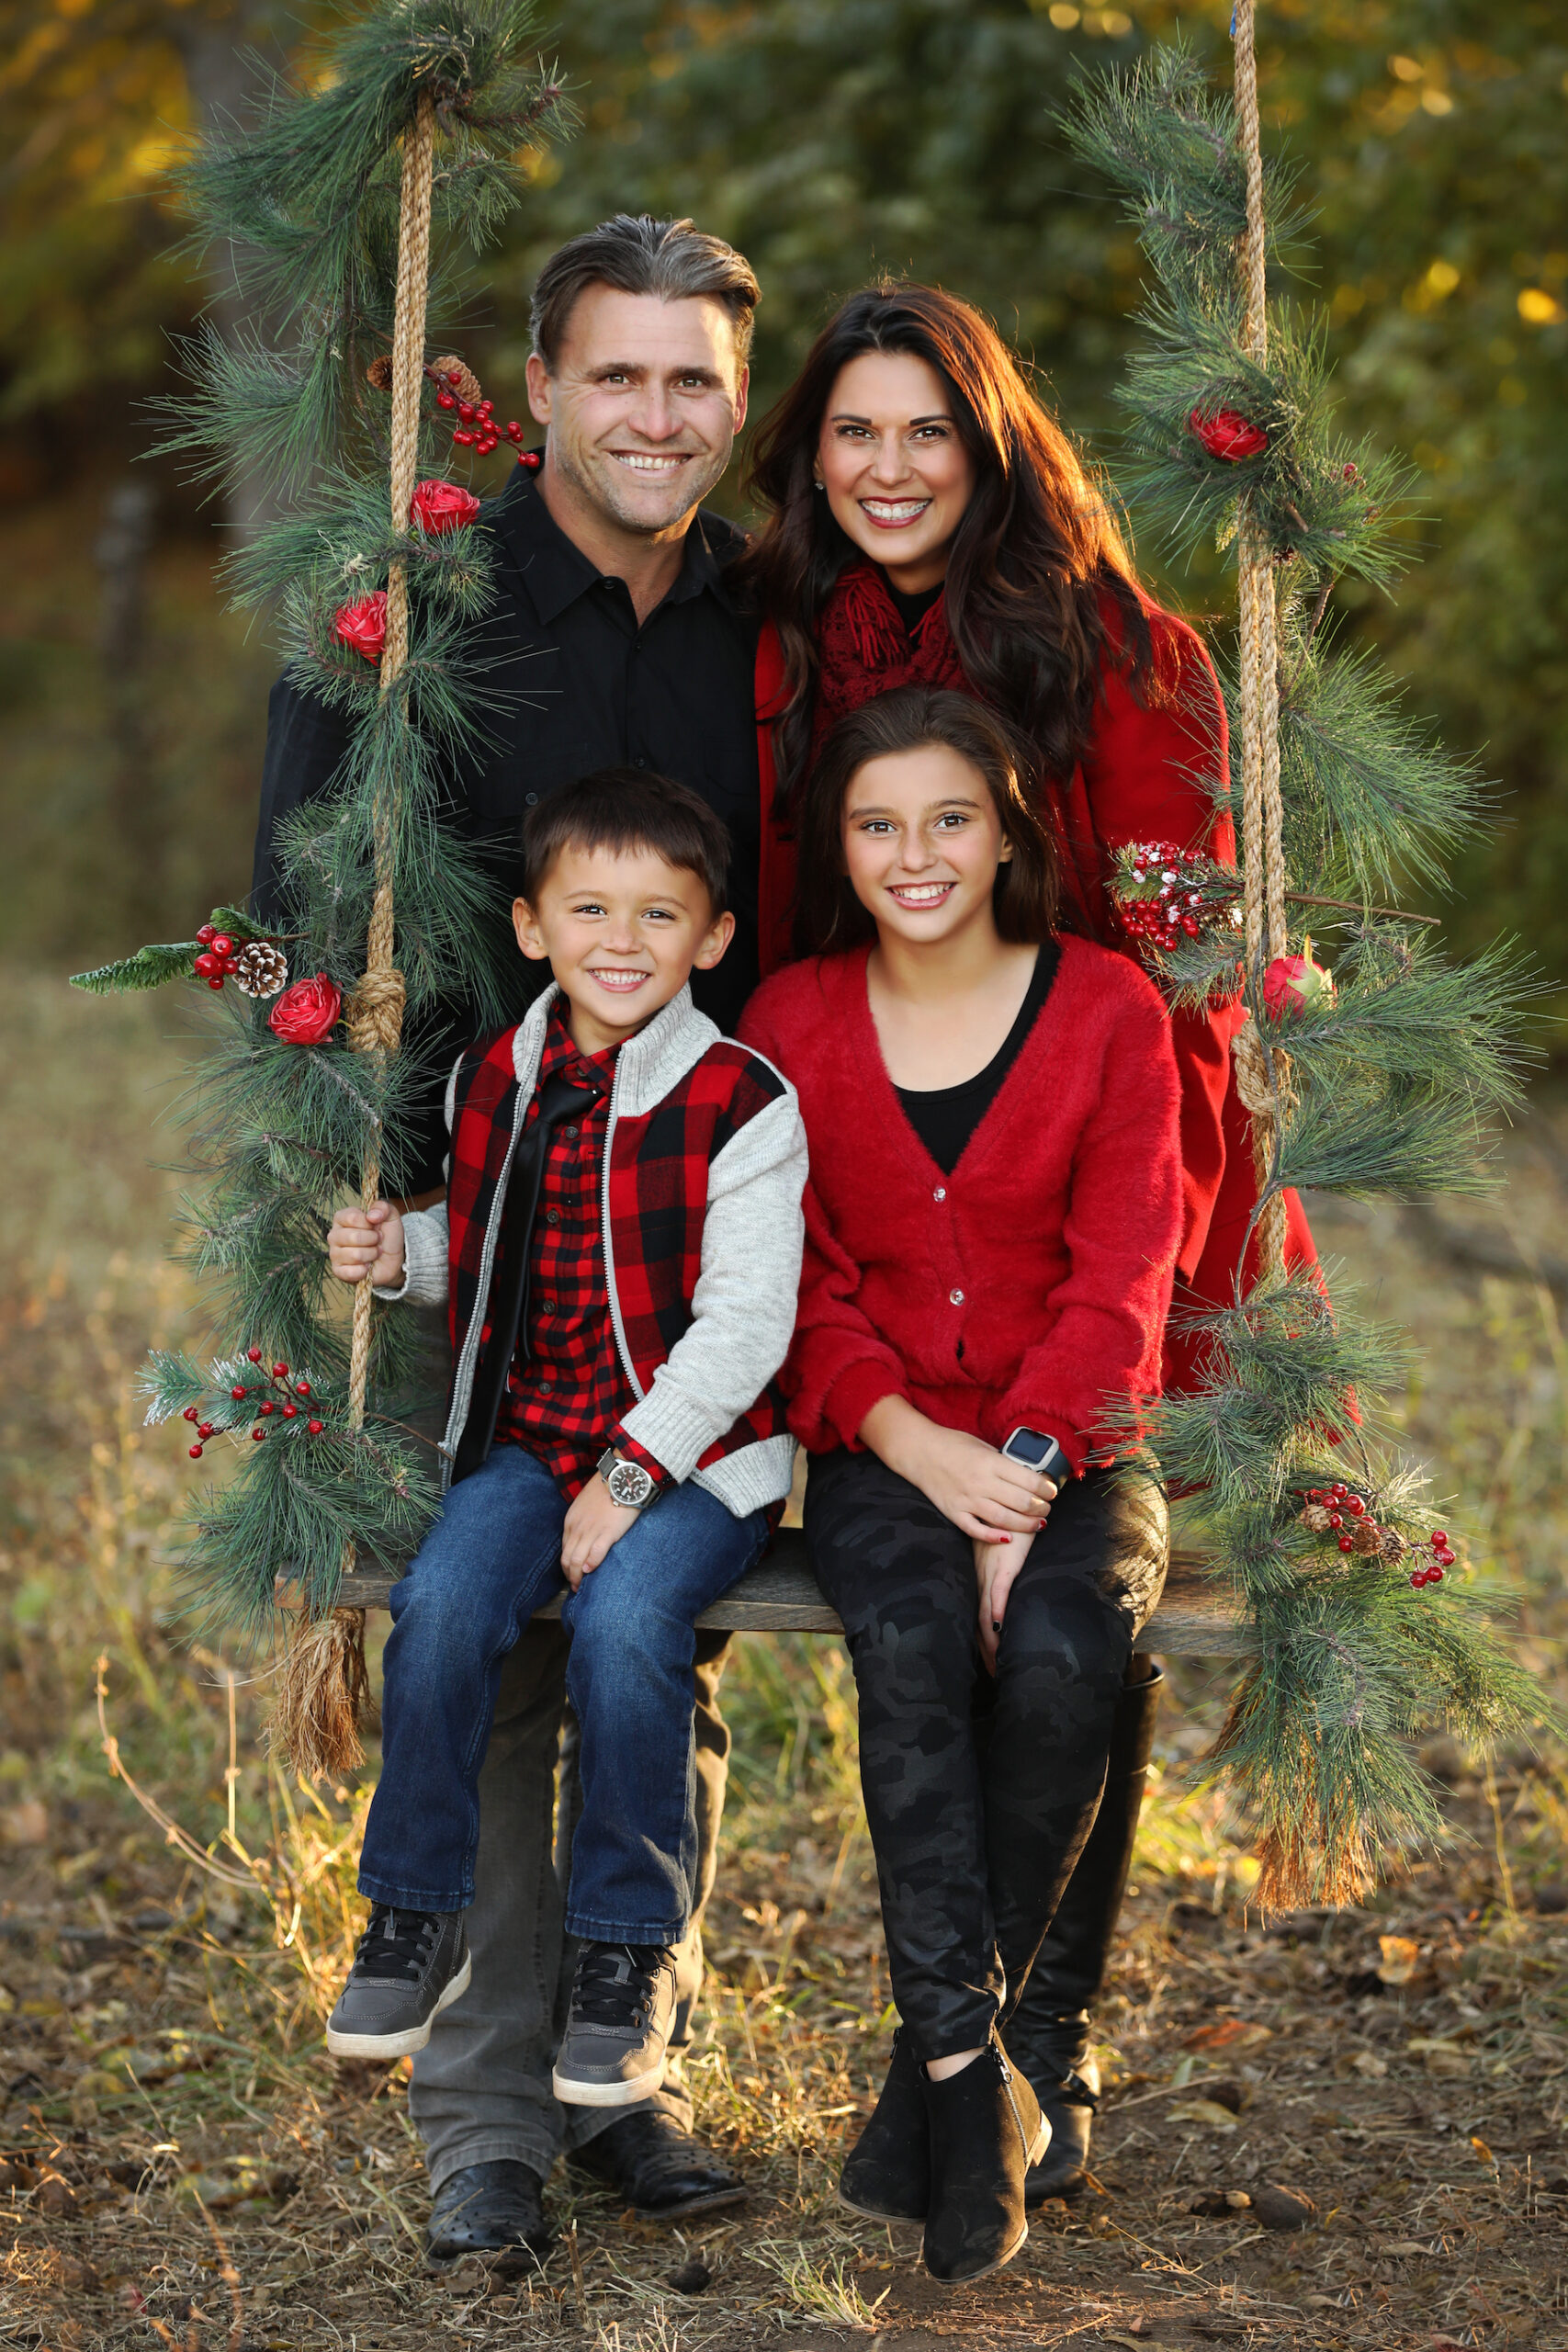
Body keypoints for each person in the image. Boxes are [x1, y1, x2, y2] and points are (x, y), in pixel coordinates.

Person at [732, 279, 1317, 2196]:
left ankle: (1036, 2045)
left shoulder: (1116, 646)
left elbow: (1179, 947)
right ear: (809, 456)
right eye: (853, 431)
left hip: (1098, 1148)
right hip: (868, 1189)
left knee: (1081, 1623)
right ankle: (983, 2054)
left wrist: (1137, 1226)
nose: (889, 466)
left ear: (989, 447)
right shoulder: (785, 638)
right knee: (942, 1616)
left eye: (928, 429)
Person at [251, 215, 767, 2262]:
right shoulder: (418, 615)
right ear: (539, 389)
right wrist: (371, 1209)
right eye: (614, 373)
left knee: (657, 1647)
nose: (657, 415)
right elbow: (306, 902)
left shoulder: (761, 621)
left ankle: (619, 2077)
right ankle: (485, 2122)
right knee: (493, 1653)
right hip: (461, 1226)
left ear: (738, 398)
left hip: (698, 1225)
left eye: (695, 379)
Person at [740, 687, 1183, 2283]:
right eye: (877, 825)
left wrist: (1028, 1478)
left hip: (1082, 1444)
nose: (914, 854)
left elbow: (1129, 1266)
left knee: (1066, 1651)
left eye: (948, 819)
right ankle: (970, 2071)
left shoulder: (1109, 1007)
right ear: (839, 847)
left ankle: (949, 2076)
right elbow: (788, 1274)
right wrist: (919, 1449)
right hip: (880, 1447)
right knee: (915, 1648)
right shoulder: (790, 1018)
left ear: (1008, 832)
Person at [321, 770, 805, 2112]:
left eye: (660, 913)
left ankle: (622, 1951)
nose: (621, 941)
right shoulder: (495, 1076)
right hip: (533, 1443)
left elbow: (748, 1327)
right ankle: (413, 1911)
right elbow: (488, 1248)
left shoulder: (742, 1099)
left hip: (697, 1463)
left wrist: (631, 1477)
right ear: (532, 927)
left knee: (627, 1626)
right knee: (441, 1603)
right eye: (589, 909)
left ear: (713, 936)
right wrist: (402, 1255)